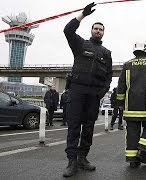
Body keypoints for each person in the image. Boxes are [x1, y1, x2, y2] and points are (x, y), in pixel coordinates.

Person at [62, 2, 113, 177]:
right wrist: (82, 15)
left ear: (103, 33)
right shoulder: (80, 44)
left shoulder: (106, 53)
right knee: (74, 126)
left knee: (89, 127)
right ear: (91, 30)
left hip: (94, 95)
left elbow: (109, 75)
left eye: (101, 29)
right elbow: (67, 30)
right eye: (96, 29)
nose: (98, 31)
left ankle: (83, 158)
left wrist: (103, 91)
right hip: (77, 91)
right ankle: (72, 162)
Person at [116, 42, 146, 168]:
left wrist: (120, 103)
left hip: (130, 106)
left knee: (132, 131)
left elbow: (121, 85)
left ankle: (132, 160)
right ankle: (142, 149)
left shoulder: (127, 64)